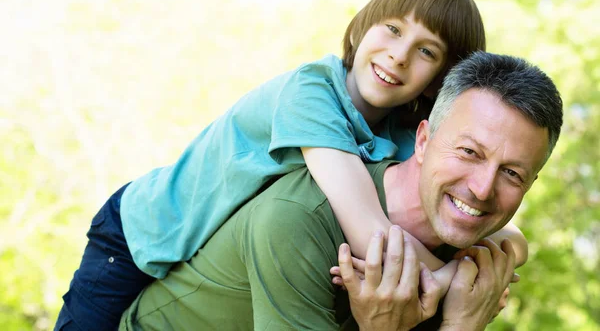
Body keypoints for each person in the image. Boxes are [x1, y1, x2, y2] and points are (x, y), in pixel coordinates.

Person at [55, 0, 520, 331]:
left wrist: (496, 253)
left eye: (427, 51)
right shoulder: (311, 94)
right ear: (362, 27)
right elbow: (369, 229)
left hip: (201, 255)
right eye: (393, 29)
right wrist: (447, 280)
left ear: (441, 82)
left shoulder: (407, 135)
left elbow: (505, 235)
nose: (399, 55)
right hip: (142, 233)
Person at [118, 52, 563, 330]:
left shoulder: (470, 262)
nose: (483, 189)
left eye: (512, 174)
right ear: (423, 140)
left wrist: (462, 321)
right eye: (468, 151)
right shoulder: (298, 218)